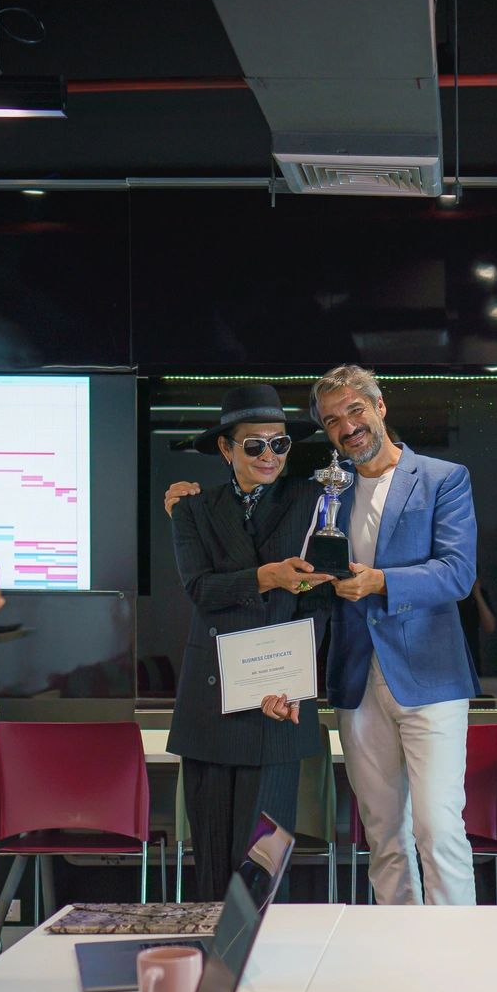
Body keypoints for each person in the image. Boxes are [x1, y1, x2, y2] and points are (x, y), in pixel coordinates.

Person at [314, 365, 481, 906]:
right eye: (332, 420)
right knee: (383, 834)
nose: (347, 427)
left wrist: (380, 581)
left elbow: (457, 573)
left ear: (380, 407)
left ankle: (455, 948)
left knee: (438, 828)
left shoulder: (442, 478)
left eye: (355, 410)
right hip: (356, 677)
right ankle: (398, 945)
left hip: (430, 675)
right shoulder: (324, 490)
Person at [162, 384, 332, 902]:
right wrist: (267, 577)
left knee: (263, 861)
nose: (269, 456)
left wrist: (294, 684)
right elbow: (200, 591)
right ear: (225, 448)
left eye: (279, 444)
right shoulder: (192, 507)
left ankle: (259, 949)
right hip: (211, 700)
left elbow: (320, 600)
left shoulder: (313, 500)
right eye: (255, 445)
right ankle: (212, 948)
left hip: (276, 699)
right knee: (212, 856)